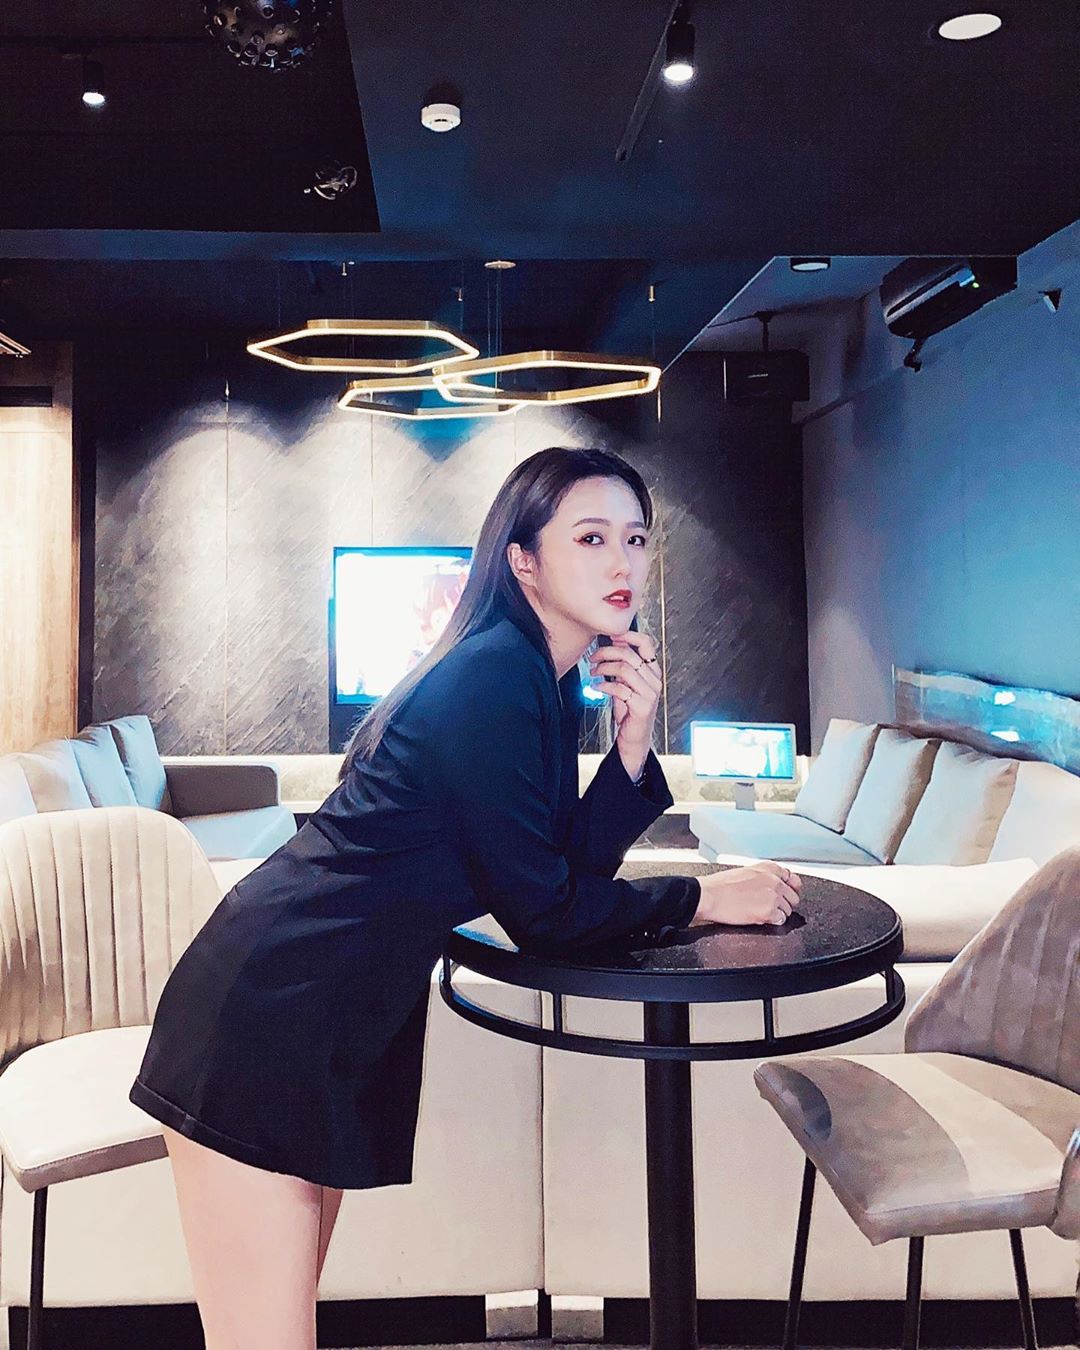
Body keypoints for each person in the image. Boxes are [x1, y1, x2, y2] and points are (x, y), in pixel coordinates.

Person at [129, 446, 802, 1350]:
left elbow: (558, 878)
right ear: (523, 560)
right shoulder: (495, 678)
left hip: (320, 1016)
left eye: (636, 538)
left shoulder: (535, 679)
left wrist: (632, 743)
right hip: (268, 1015)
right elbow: (550, 919)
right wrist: (701, 898)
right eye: (591, 537)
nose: (623, 561)